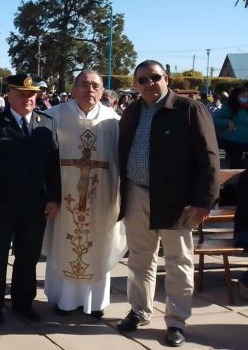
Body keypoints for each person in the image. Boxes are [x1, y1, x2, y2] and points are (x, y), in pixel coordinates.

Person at [117, 60, 219, 347]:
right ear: (136, 85)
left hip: (177, 200)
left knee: (178, 261)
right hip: (136, 194)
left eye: (155, 78)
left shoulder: (189, 110)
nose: (149, 84)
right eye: (142, 80)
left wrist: (203, 201)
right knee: (139, 258)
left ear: (167, 79)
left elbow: (208, 157)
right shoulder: (132, 111)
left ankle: (176, 321)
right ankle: (139, 311)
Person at [0, 73, 61, 325]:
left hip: (34, 204)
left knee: (28, 256)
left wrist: (54, 198)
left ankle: (23, 303)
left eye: (32, 94)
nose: (28, 99)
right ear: (9, 95)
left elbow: (54, 166)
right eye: (22, 94)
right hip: (0, 204)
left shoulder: (46, 123)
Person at [42, 70, 125, 318]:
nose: (90, 90)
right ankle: (64, 300)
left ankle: (96, 302)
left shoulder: (113, 121)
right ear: (74, 88)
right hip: (64, 197)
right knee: (64, 245)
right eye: (84, 84)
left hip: (102, 199)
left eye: (96, 86)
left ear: (102, 90)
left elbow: (121, 162)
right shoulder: (53, 116)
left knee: (98, 244)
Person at [213, 86, 248, 169]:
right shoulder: (229, 106)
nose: (246, 97)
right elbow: (214, 120)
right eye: (243, 95)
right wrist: (227, 122)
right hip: (231, 141)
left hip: (245, 140)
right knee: (236, 163)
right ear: (236, 95)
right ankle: (234, 180)